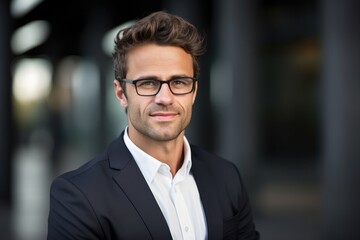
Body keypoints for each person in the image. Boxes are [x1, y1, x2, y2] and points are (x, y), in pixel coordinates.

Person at [47, 11, 260, 240]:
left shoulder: (226, 177)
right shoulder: (77, 196)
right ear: (121, 93)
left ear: (194, 92)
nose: (165, 98)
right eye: (148, 83)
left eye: (179, 82)